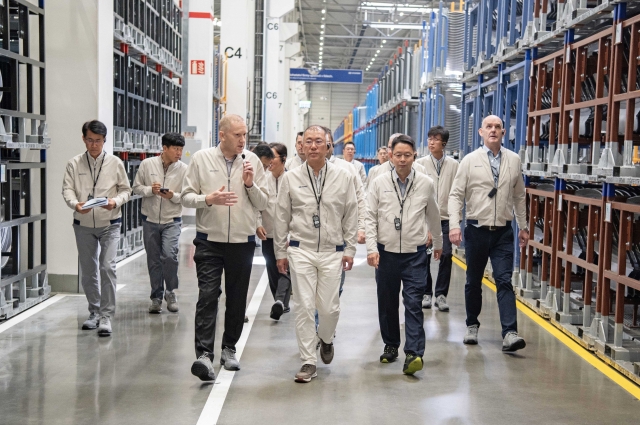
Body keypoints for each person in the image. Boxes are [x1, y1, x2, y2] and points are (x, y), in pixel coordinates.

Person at [182, 114, 269, 381]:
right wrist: (209, 199)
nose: (243, 140)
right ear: (222, 135)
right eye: (237, 135)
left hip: (242, 242)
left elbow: (264, 202)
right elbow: (185, 196)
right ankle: (204, 355)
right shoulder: (201, 159)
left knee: (236, 299)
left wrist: (250, 184)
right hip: (209, 239)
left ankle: (229, 348)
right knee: (207, 295)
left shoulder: (252, 162)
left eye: (245, 135)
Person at [275, 125, 358, 383]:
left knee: (329, 308)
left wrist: (351, 248)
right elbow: (281, 216)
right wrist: (281, 251)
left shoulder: (344, 176)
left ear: (328, 146)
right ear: (301, 146)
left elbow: (351, 213)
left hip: (333, 251)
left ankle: (326, 338)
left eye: (318, 141)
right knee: (303, 306)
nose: (312, 146)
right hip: (301, 249)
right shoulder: (291, 178)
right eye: (308, 141)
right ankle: (308, 361)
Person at [448, 115, 529, 352]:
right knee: (474, 281)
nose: (493, 130)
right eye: (488, 127)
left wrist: (523, 226)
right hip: (476, 230)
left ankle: (510, 333)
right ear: (481, 132)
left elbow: (519, 196)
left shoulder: (513, 160)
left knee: (504, 280)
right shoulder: (470, 161)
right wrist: (455, 224)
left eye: (497, 127)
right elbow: (455, 196)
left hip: (503, 232)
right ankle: (472, 325)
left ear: (503, 133)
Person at [365, 134, 443, 375]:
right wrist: (371, 248)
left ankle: (414, 353)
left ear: (414, 156)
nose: (402, 159)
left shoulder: (425, 183)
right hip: (386, 253)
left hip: (415, 254)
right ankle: (391, 345)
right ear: (390, 155)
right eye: (397, 155)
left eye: (406, 155)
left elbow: (433, 214)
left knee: (413, 303)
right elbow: (370, 216)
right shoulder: (378, 182)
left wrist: (438, 242)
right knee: (387, 303)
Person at [62, 120, 132, 337]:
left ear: (105, 141)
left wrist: (115, 202)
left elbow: (126, 190)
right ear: (84, 139)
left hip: (109, 223)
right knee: (89, 270)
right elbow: (67, 190)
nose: (94, 145)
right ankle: (94, 311)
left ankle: (106, 316)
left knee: (107, 267)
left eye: (98, 141)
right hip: (82, 224)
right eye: (90, 140)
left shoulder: (115, 163)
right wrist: (76, 205)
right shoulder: (74, 164)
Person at [132, 132, 187, 314]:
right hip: (150, 220)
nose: (179, 153)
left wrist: (173, 196)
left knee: (170, 256)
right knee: (154, 260)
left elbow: (186, 196)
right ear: (164, 148)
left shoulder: (184, 169)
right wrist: (150, 190)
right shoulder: (147, 164)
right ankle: (156, 296)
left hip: (172, 219)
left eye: (181, 149)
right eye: (175, 149)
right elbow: (136, 187)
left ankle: (170, 292)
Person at [415, 126, 459, 312]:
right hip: (425, 218)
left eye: (435, 139)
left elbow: (458, 193)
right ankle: (426, 292)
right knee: (424, 254)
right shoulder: (420, 164)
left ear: (444, 143)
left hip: (447, 218)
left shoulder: (455, 165)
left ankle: (441, 294)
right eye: (429, 138)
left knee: (447, 255)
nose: (431, 142)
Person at [256, 142, 292, 320]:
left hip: (288, 237)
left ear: (283, 159)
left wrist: (292, 235)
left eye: (273, 157)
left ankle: (280, 301)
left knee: (285, 269)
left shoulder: (292, 179)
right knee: (272, 270)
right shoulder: (263, 179)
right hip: (268, 234)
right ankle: (279, 302)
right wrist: (257, 224)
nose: (269, 161)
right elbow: (256, 205)